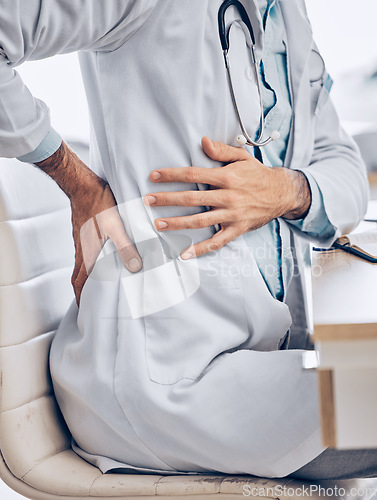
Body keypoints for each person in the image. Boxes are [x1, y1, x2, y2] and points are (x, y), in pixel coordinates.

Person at [0, 0, 372, 480]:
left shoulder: (287, 14)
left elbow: (344, 168)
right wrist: (76, 181)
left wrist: (288, 189)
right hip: (164, 375)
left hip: (270, 356)